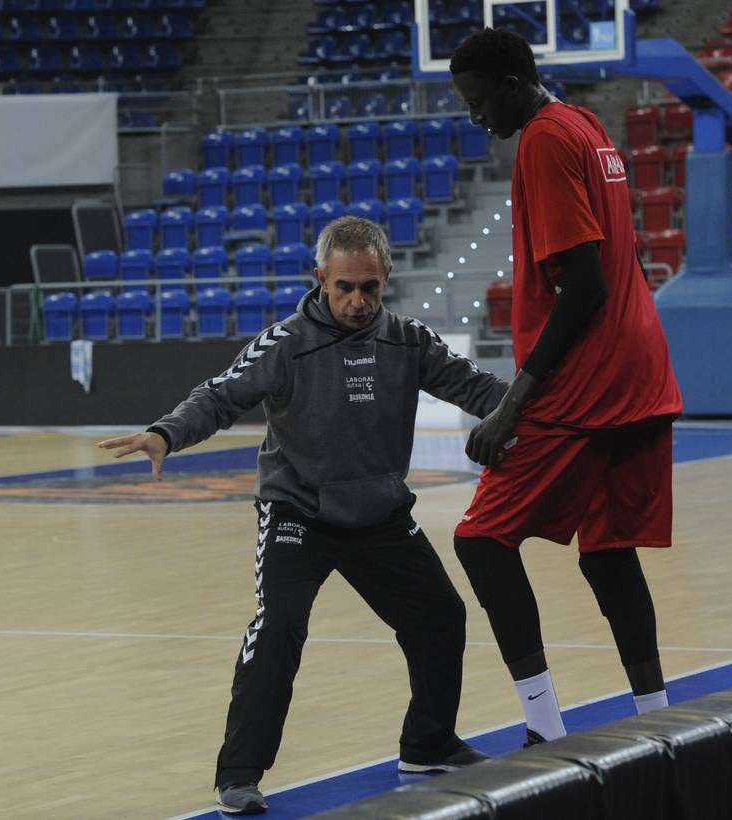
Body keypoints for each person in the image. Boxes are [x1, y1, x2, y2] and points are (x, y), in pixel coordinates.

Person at [98, 217, 504, 815]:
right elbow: (219, 395)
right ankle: (238, 775)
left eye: (370, 286)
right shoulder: (285, 343)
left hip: (382, 516)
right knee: (279, 628)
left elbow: (476, 388)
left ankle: (428, 742)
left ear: (386, 278)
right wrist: (166, 433)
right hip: (298, 514)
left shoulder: (410, 340)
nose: (358, 300)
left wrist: (532, 405)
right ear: (320, 279)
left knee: (441, 617)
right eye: (345, 287)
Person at [447, 28, 683, 747]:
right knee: (608, 551)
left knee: (481, 540)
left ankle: (545, 729)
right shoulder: (587, 125)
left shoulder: (546, 140)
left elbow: (583, 286)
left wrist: (512, 404)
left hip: (589, 379)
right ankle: (660, 723)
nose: (476, 115)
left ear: (514, 84)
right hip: (641, 368)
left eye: (480, 100)